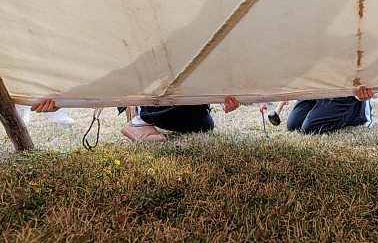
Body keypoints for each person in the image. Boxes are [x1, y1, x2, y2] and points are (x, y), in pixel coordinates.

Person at [30, 96, 241, 143]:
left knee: (205, 126)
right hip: (152, 87)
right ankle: (140, 116)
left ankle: (144, 114)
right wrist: (62, 97)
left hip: (192, 97)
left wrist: (225, 101)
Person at [286, 85, 374, 134]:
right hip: (314, 85)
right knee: (293, 125)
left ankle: (357, 113)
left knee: (309, 128)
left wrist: (357, 89)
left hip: (342, 88)